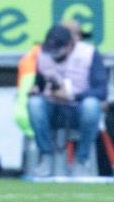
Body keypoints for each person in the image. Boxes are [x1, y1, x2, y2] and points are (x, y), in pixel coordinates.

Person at [28, 24, 107, 177]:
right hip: (53, 109)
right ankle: (46, 156)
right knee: (34, 104)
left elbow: (101, 91)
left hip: (78, 109)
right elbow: (39, 84)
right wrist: (36, 90)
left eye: (58, 49)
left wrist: (72, 96)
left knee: (91, 106)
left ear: (70, 45)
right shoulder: (43, 55)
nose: (54, 53)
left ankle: (82, 159)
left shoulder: (88, 54)